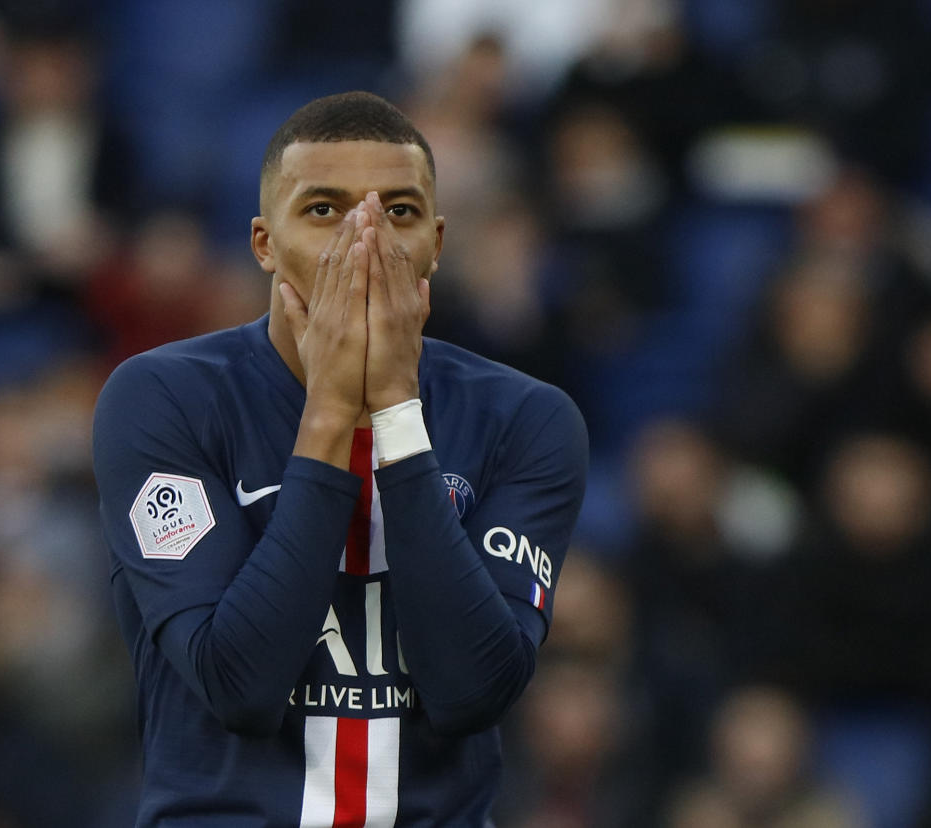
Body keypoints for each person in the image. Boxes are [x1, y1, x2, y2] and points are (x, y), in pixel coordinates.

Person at [91, 91, 588, 826]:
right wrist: (330, 412)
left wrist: (395, 414)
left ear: (438, 242)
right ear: (263, 242)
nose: (366, 240)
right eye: (324, 210)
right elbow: (239, 684)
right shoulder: (163, 399)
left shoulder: (525, 418)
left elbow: (472, 690)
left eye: (400, 212)